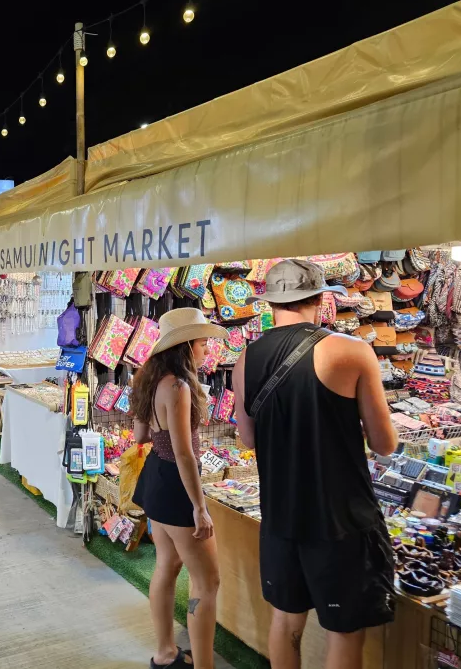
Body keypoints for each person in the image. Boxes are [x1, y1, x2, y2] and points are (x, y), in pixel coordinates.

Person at [231, 259, 398, 669]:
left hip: (280, 516)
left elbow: (248, 439)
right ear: (322, 299)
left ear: (270, 302)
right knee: (344, 631)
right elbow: (384, 444)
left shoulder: (244, 360)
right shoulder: (352, 351)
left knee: (286, 619)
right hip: (340, 519)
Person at [131, 308, 228, 669]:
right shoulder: (178, 386)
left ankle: (165, 653)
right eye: (203, 343)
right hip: (176, 485)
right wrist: (199, 506)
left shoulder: (148, 379)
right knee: (207, 582)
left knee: (166, 566)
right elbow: (185, 454)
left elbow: (141, 436)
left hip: (155, 480)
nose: (206, 350)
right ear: (186, 345)